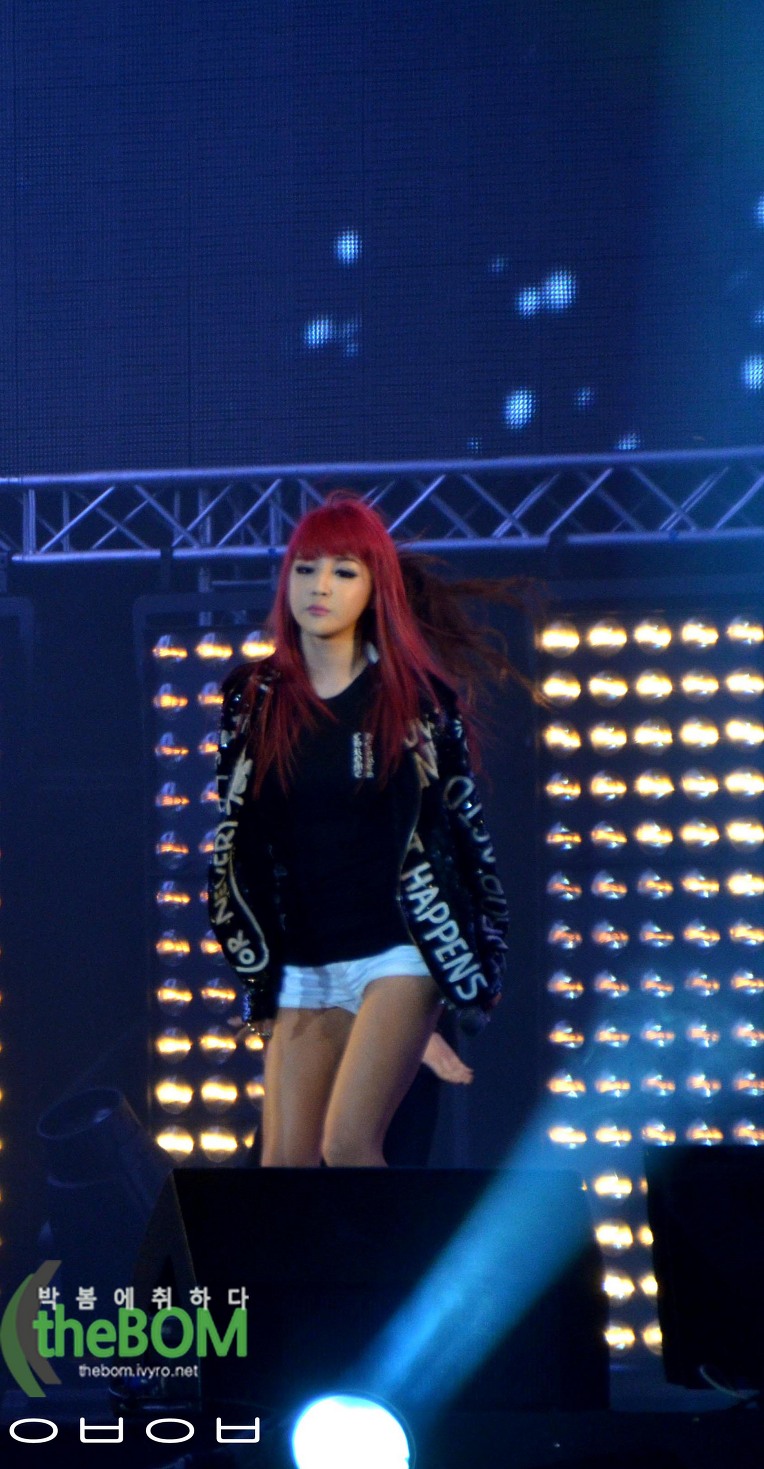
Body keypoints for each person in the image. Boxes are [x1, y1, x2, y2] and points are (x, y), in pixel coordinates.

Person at [209, 493, 521, 1167]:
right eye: (306, 568)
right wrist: (256, 963)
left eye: (344, 571)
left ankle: (383, 1247)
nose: (320, 586)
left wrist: (480, 961)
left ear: (375, 588)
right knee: (283, 1165)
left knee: (349, 1142)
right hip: (307, 959)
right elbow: (238, 840)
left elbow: (463, 836)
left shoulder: (415, 703)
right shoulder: (253, 699)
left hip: (397, 951)